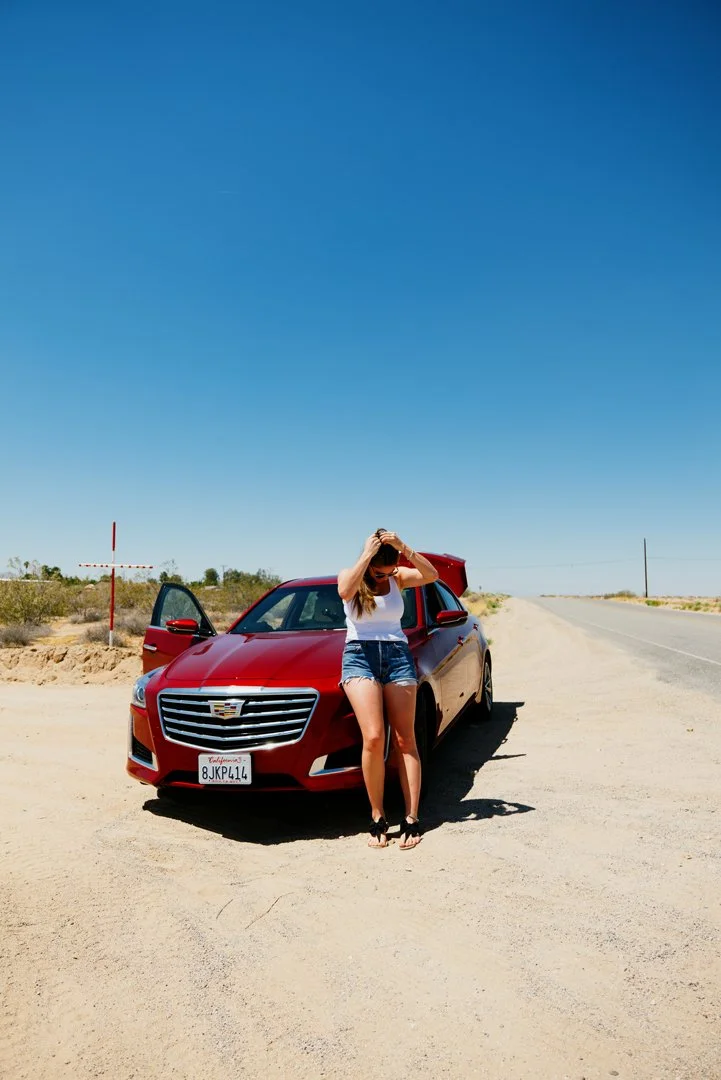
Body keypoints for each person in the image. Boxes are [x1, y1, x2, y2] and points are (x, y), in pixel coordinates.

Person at [337, 530, 439, 849]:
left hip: (397, 655)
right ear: (368, 565)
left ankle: (411, 818)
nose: (386, 576)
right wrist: (367, 555)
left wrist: (403, 548)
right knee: (374, 737)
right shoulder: (352, 575)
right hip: (359, 655)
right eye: (380, 571)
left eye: (389, 570)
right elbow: (344, 591)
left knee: (405, 739)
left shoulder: (398, 578)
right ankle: (377, 815)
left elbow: (431, 574)